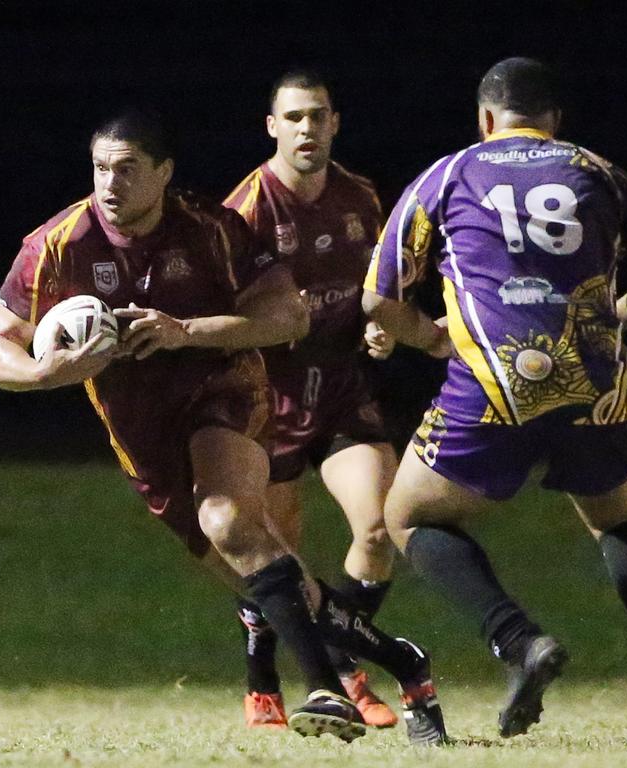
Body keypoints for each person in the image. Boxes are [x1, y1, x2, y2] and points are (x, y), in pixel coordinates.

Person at [0, 109, 444, 745]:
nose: (109, 184)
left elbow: (287, 316)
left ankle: (326, 691)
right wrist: (42, 374)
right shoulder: (57, 245)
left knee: (226, 517)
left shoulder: (211, 229)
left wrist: (184, 331)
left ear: (163, 173)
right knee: (268, 581)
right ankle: (403, 663)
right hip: (143, 435)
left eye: (127, 169)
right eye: (99, 168)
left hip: (224, 393)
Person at [363, 57, 627, 746]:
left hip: (495, 383)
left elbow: (378, 298)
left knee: (406, 517)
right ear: (554, 122)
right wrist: (611, 318)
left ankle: (520, 642)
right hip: (595, 380)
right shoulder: (601, 172)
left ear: (486, 119)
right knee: (618, 519)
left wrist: (428, 338)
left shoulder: (451, 173)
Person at [223, 70, 408, 730]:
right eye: (294, 117)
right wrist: (271, 319)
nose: (307, 128)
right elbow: (222, 311)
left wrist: (383, 323)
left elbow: (379, 288)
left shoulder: (360, 196)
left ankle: (341, 664)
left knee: (381, 527)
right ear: (273, 127)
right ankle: (262, 677)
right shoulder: (246, 209)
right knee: (280, 552)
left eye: (318, 116)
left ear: (336, 123)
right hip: (266, 395)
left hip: (338, 384)